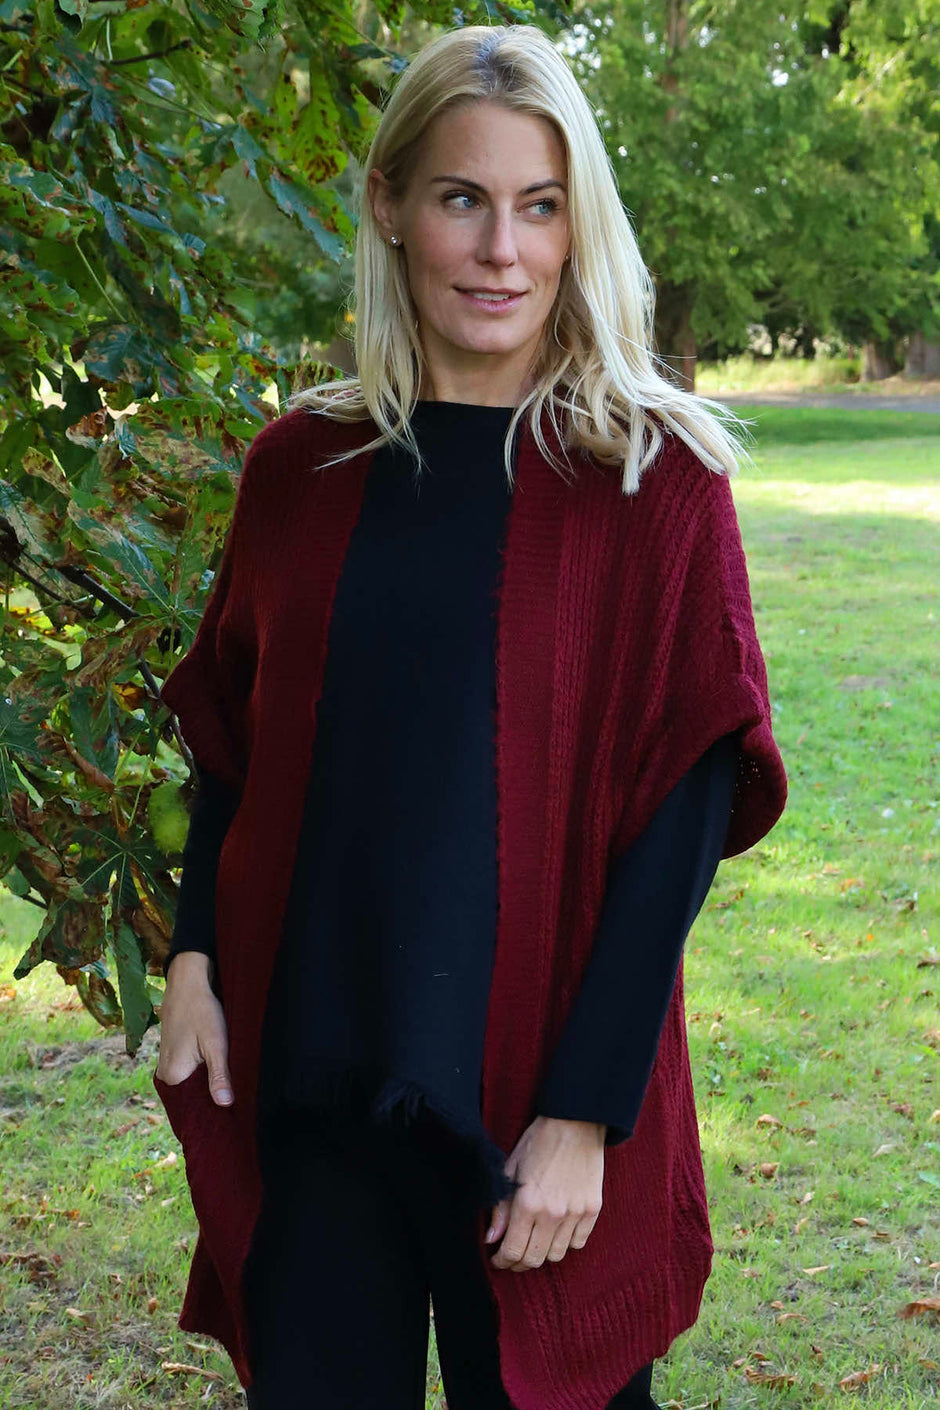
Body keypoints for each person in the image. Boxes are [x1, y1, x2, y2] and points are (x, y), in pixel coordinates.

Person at [153, 22, 788, 1410]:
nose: (502, 249)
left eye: (539, 206)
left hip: (534, 1104)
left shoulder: (652, 482)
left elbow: (682, 818)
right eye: (463, 199)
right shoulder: (300, 469)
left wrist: (585, 1114)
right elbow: (232, 742)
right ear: (390, 206)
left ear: (577, 228)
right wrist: (195, 954)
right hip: (312, 1072)